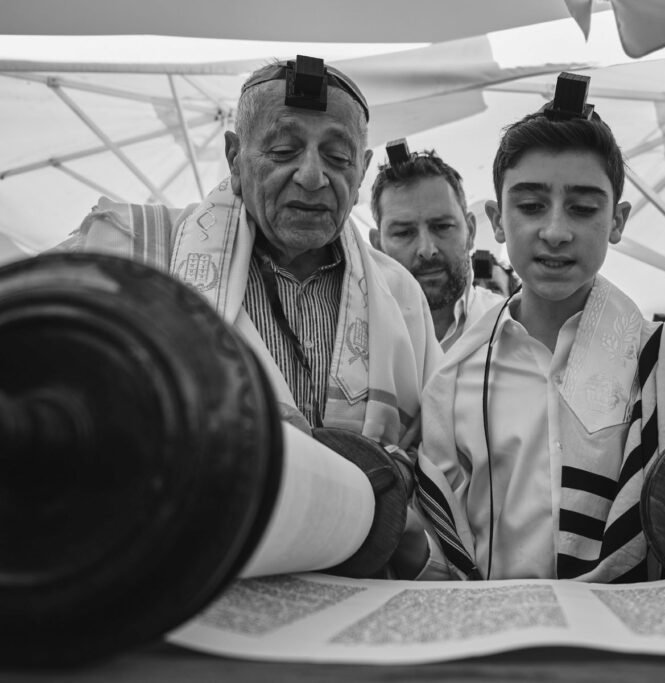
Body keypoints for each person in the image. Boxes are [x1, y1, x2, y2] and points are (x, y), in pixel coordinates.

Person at [403, 74, 665, 583]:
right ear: (494, 219)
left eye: (583, 208)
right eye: (531, 206)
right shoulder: (454, 379)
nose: (555, 231)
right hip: (494, 638)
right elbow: (444, 545)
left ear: (618, 221)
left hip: (634, 637)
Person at [58, 56, 440, 448]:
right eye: (283, 150)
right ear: (234, 158)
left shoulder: (401, 296)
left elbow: (439, 456)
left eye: (338, 158)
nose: (311, 177)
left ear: (362, 169)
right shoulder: (135, 256)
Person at [369, 145, 504, 350]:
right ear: (378, 246)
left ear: (470, 231)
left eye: (442, 227)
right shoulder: (355, 337)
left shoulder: (508, 325)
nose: (427, 249)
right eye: (404, 233)